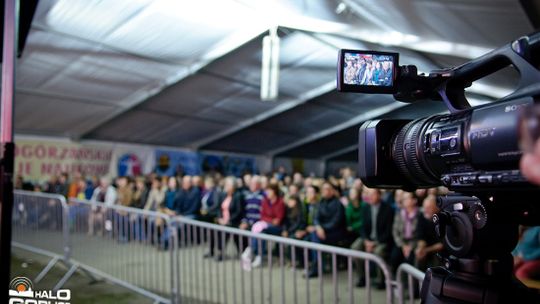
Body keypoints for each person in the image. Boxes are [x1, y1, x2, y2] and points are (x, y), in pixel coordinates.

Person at [351, 187, 394, 288]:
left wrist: (374, 243)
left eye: (373, 194)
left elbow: (388, 232)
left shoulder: (388, 209)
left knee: (378, 252)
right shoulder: (365, 207)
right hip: (368, 239)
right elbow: (363, 227)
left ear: (379, 195)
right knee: (355, 247)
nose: (370, 196)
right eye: (368, 194)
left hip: (381, 240)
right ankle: (362, 277)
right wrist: (366, 241)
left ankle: (381, 280)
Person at [306, 182, 346, 278]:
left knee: (314, 236)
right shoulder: (321, 202)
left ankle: (316, 266)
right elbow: (316, 218)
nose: (324, 191)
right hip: (322, 231)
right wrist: (319, 227)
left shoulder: (338, 204)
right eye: (323, 189)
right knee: (313, 236)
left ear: (332, 191)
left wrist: (321, 228)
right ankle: (317, 265)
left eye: (326, 189)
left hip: (336, 232)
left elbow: (336, 222)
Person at [243, 183, 286, 269]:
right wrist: (270, 220)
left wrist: (269, 220)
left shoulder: (280, 202)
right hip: (266, 225)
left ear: (274, 191)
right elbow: (262, 215)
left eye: (269, 191)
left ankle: (252, 250)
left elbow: (278, 220)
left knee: (261, 230)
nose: (267, 193)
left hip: (277, 228)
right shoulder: (265, 201)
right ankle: (258, 254)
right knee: (261, 232)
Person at [207, 177, 245, 261]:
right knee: (215, 230)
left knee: (227, 231)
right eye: (226, 184)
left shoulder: (238, 195)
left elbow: (239, 211)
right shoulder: (223, 195)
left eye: (228, 185)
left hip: (234, 221)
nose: (226, 186)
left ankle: (241, 252)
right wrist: (220, 218)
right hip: (223, 220)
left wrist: (228, 220)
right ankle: (218, 251)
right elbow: (219, 208)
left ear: (233, 186)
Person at [390, 192, 421, 273]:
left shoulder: (420, 214)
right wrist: (403, 246)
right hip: (402, 241)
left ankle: (410, 284)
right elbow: (395, 231)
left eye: (407, 198)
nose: (404, 200)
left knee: (411, 258)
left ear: (414, 200)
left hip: (414, 243)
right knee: (394, 256)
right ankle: (395, 281)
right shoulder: (400, 213)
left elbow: (420, 234)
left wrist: (411, 246)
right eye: (404, 199)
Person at [415, 195, 443, 271]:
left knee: (437, 259)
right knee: (417, 254)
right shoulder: (422, 216)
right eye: (424, 207)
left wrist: (426, 250)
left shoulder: (442, 219)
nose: (425, 210)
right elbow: (420, 236)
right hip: (427, 246)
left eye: (429, 207)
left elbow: (442, 244)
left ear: (436, 208)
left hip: (439, 249)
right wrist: (421, 248)